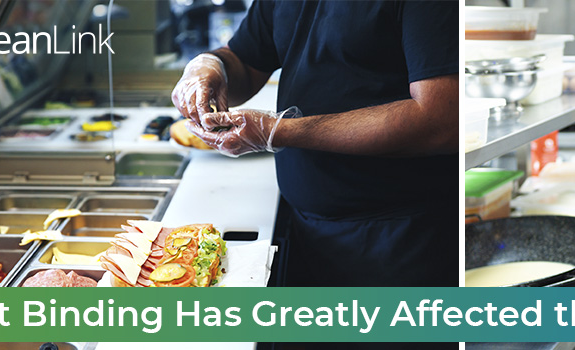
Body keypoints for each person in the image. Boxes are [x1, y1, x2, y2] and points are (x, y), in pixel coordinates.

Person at [169, 0, 458, 289]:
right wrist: (211, 67)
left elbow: (440, 120)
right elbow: (246, 60)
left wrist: (280, 130)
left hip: (400, 239)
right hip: (308, 230)